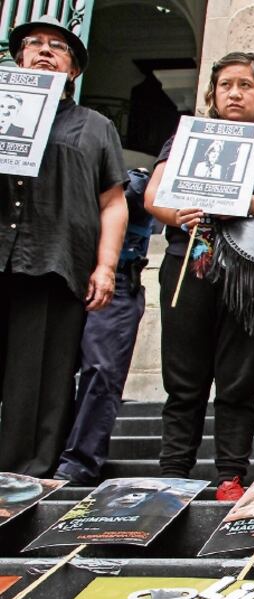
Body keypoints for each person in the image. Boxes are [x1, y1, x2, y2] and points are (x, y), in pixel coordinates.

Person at [145, 52, 254, 501]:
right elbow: (153, 195)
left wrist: (244, 203)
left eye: (245, 85)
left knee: (239, 379)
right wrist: (179, 215)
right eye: (226, 85)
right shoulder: (187, 135)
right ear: (212, 93)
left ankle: (230, 476)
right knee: (183, 377)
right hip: (191, 261)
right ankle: (174, 473)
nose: (235, 93)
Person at [0, 16, 127, 478]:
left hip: (54, 262)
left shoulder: (94, 126)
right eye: (34, 44)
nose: (45, 50)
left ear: (73, 70)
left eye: (59, 47)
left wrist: (106, 266)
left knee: (37, 379)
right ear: (18, 59)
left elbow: (113, 202)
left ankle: (22, 477)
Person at [54, 169, 155, 485]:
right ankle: (51, 454)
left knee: (101, 371)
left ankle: (78, 463)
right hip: (63, 274)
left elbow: (134, 198)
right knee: (51, 371)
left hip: (119, 279)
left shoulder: (136, 183)